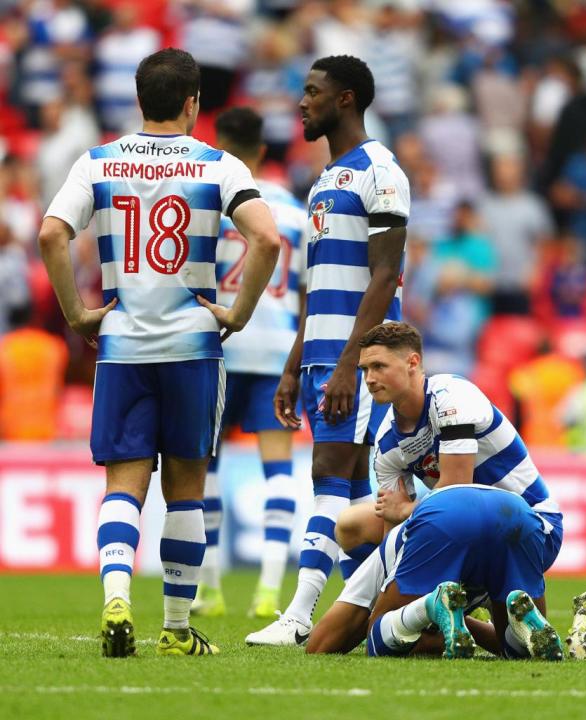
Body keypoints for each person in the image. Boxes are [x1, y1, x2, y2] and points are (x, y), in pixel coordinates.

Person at [37, 48, 281, 657]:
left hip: (121, 345)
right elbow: (267, 238)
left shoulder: (96, 162)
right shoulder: (218, 166)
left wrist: (76, 314)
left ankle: (116, 596)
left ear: (139, 99)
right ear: (194, 103)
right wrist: (239, 312)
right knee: (185, 490)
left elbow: (50, 234)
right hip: (193, 345)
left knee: (123, 485)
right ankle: (175, 629)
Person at [246, 55, 410, 646]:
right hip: (319, 358)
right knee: (360, 495)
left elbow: (384, 276)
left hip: (356, 362)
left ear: (344, 99)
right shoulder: (325, 178)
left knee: (329, 477)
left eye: (312, 92)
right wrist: (294, 368)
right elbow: (316, 287)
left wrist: (350, 363)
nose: (301, 102)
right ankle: (376, 619)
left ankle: (297, 618)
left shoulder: (381, 171)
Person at [305, 320, 564, 659]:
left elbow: (455, 490)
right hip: (507, 531)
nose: (369, 378)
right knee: (517, 651)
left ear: (413, 363)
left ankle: (432, 610)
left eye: (379, 366)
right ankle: (451, 612)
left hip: (527, 523)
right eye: (365, 369)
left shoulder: (449, 394)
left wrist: (381, 603)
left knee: (365, 636)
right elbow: (393, 530)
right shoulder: (387, 444)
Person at [191, 107, 308, 620]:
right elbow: (305, 290)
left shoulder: (211, 204)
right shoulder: (294, 212)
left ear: (220, 143)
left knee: (207, 466)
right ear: (263, 150)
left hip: (219, 343)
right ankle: (268, 591)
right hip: (277, 349)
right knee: (278, 467)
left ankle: (209, 588)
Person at [365, 486, 563, 661]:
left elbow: (334, 635)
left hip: (446, 513)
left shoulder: (385, 548)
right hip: (519, 512)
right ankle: (448, 609)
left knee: (376, 638)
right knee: (518, 644)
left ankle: (430, 605)